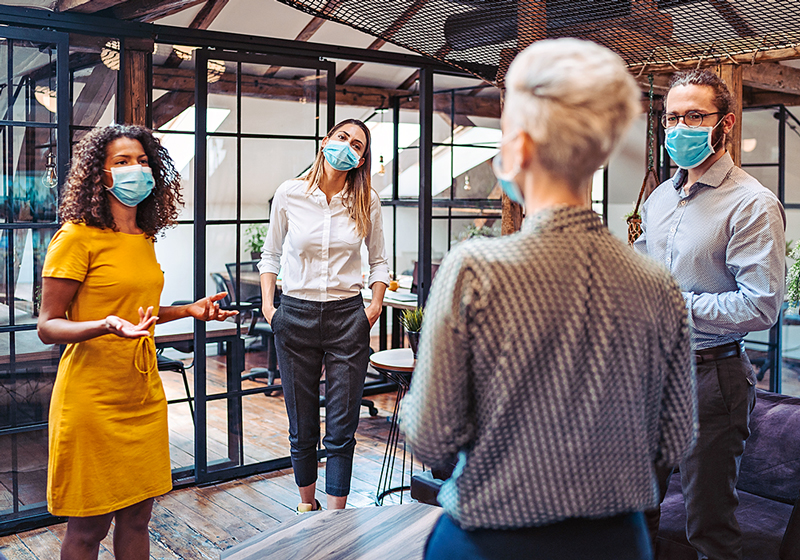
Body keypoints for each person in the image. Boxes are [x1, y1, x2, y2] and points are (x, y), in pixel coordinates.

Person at [400, 38, 698, 560]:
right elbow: (675, 441)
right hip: (618, 544)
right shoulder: (659, 285)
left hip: (487, 541)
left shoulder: (473, 270)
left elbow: (431, 438)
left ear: (519, 147)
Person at [37, 124, 237, 560]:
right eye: (123, 162)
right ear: (100, 174)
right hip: (92, 398)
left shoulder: (143, 237)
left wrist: (188, 310)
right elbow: (48, 326)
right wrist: (104, 324)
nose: (136, 170)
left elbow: (139, 313)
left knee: (138, 520)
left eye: (143, 161)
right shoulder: (76, 237)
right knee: (88, 530)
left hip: (142, 395)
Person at [635, 69, 786, 560]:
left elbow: (761, 304)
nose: (681, 127)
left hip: (711, 377)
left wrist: (673, 302)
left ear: (726, 123)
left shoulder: (752, 203)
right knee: (635, 511)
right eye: (672, 117)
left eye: (695, 115)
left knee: (709, 525)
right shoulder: (660, 198)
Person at [258, 119, 389, 511]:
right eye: (342, 138)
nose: (348, 147)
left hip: (348, 317)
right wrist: (270, 308)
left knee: (342, 424)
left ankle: (336, 516)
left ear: (362, 159)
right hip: (294, 315)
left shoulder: (367, 201)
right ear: (325, 141)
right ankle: (305, 507)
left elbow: (380, 261)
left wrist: (375, 306)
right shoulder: (290, 193)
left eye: (357, 145)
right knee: (301, 424)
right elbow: (271, 254)